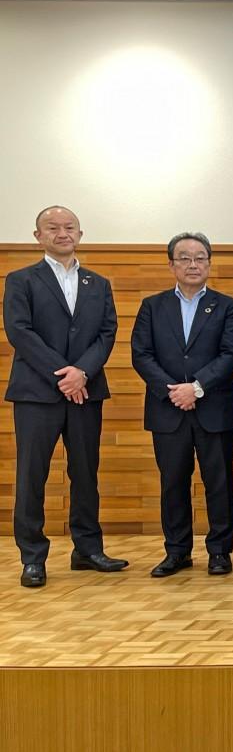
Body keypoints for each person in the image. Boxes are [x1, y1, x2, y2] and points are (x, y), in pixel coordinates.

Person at [4, 206, 125, 588]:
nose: (62, 233)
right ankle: (32, 557)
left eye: (69, 227)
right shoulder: (21, 280)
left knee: (85, 473)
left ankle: (87, 549)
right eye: (52, 228)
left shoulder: (97, 283)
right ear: (38, 236)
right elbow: (19, 331)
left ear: (80, 234)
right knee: (32, 475)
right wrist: (64, 374)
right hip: (37, 393)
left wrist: (82, 372)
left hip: (86, 392)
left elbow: (107, 333)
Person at [131, 232, 233, 577]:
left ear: (209, 263)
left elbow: (230, 354)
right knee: (173, 482)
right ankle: (177, 551)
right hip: (167, 409)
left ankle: (220, 551)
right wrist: (173, 392)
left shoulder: (227, 306)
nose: (193, 264)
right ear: (171, 265)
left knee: (219, 482)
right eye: (184, 258)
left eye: (200, 258)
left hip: (214, 408)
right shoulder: (152, 306)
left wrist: (196, 388)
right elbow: (141, 354)